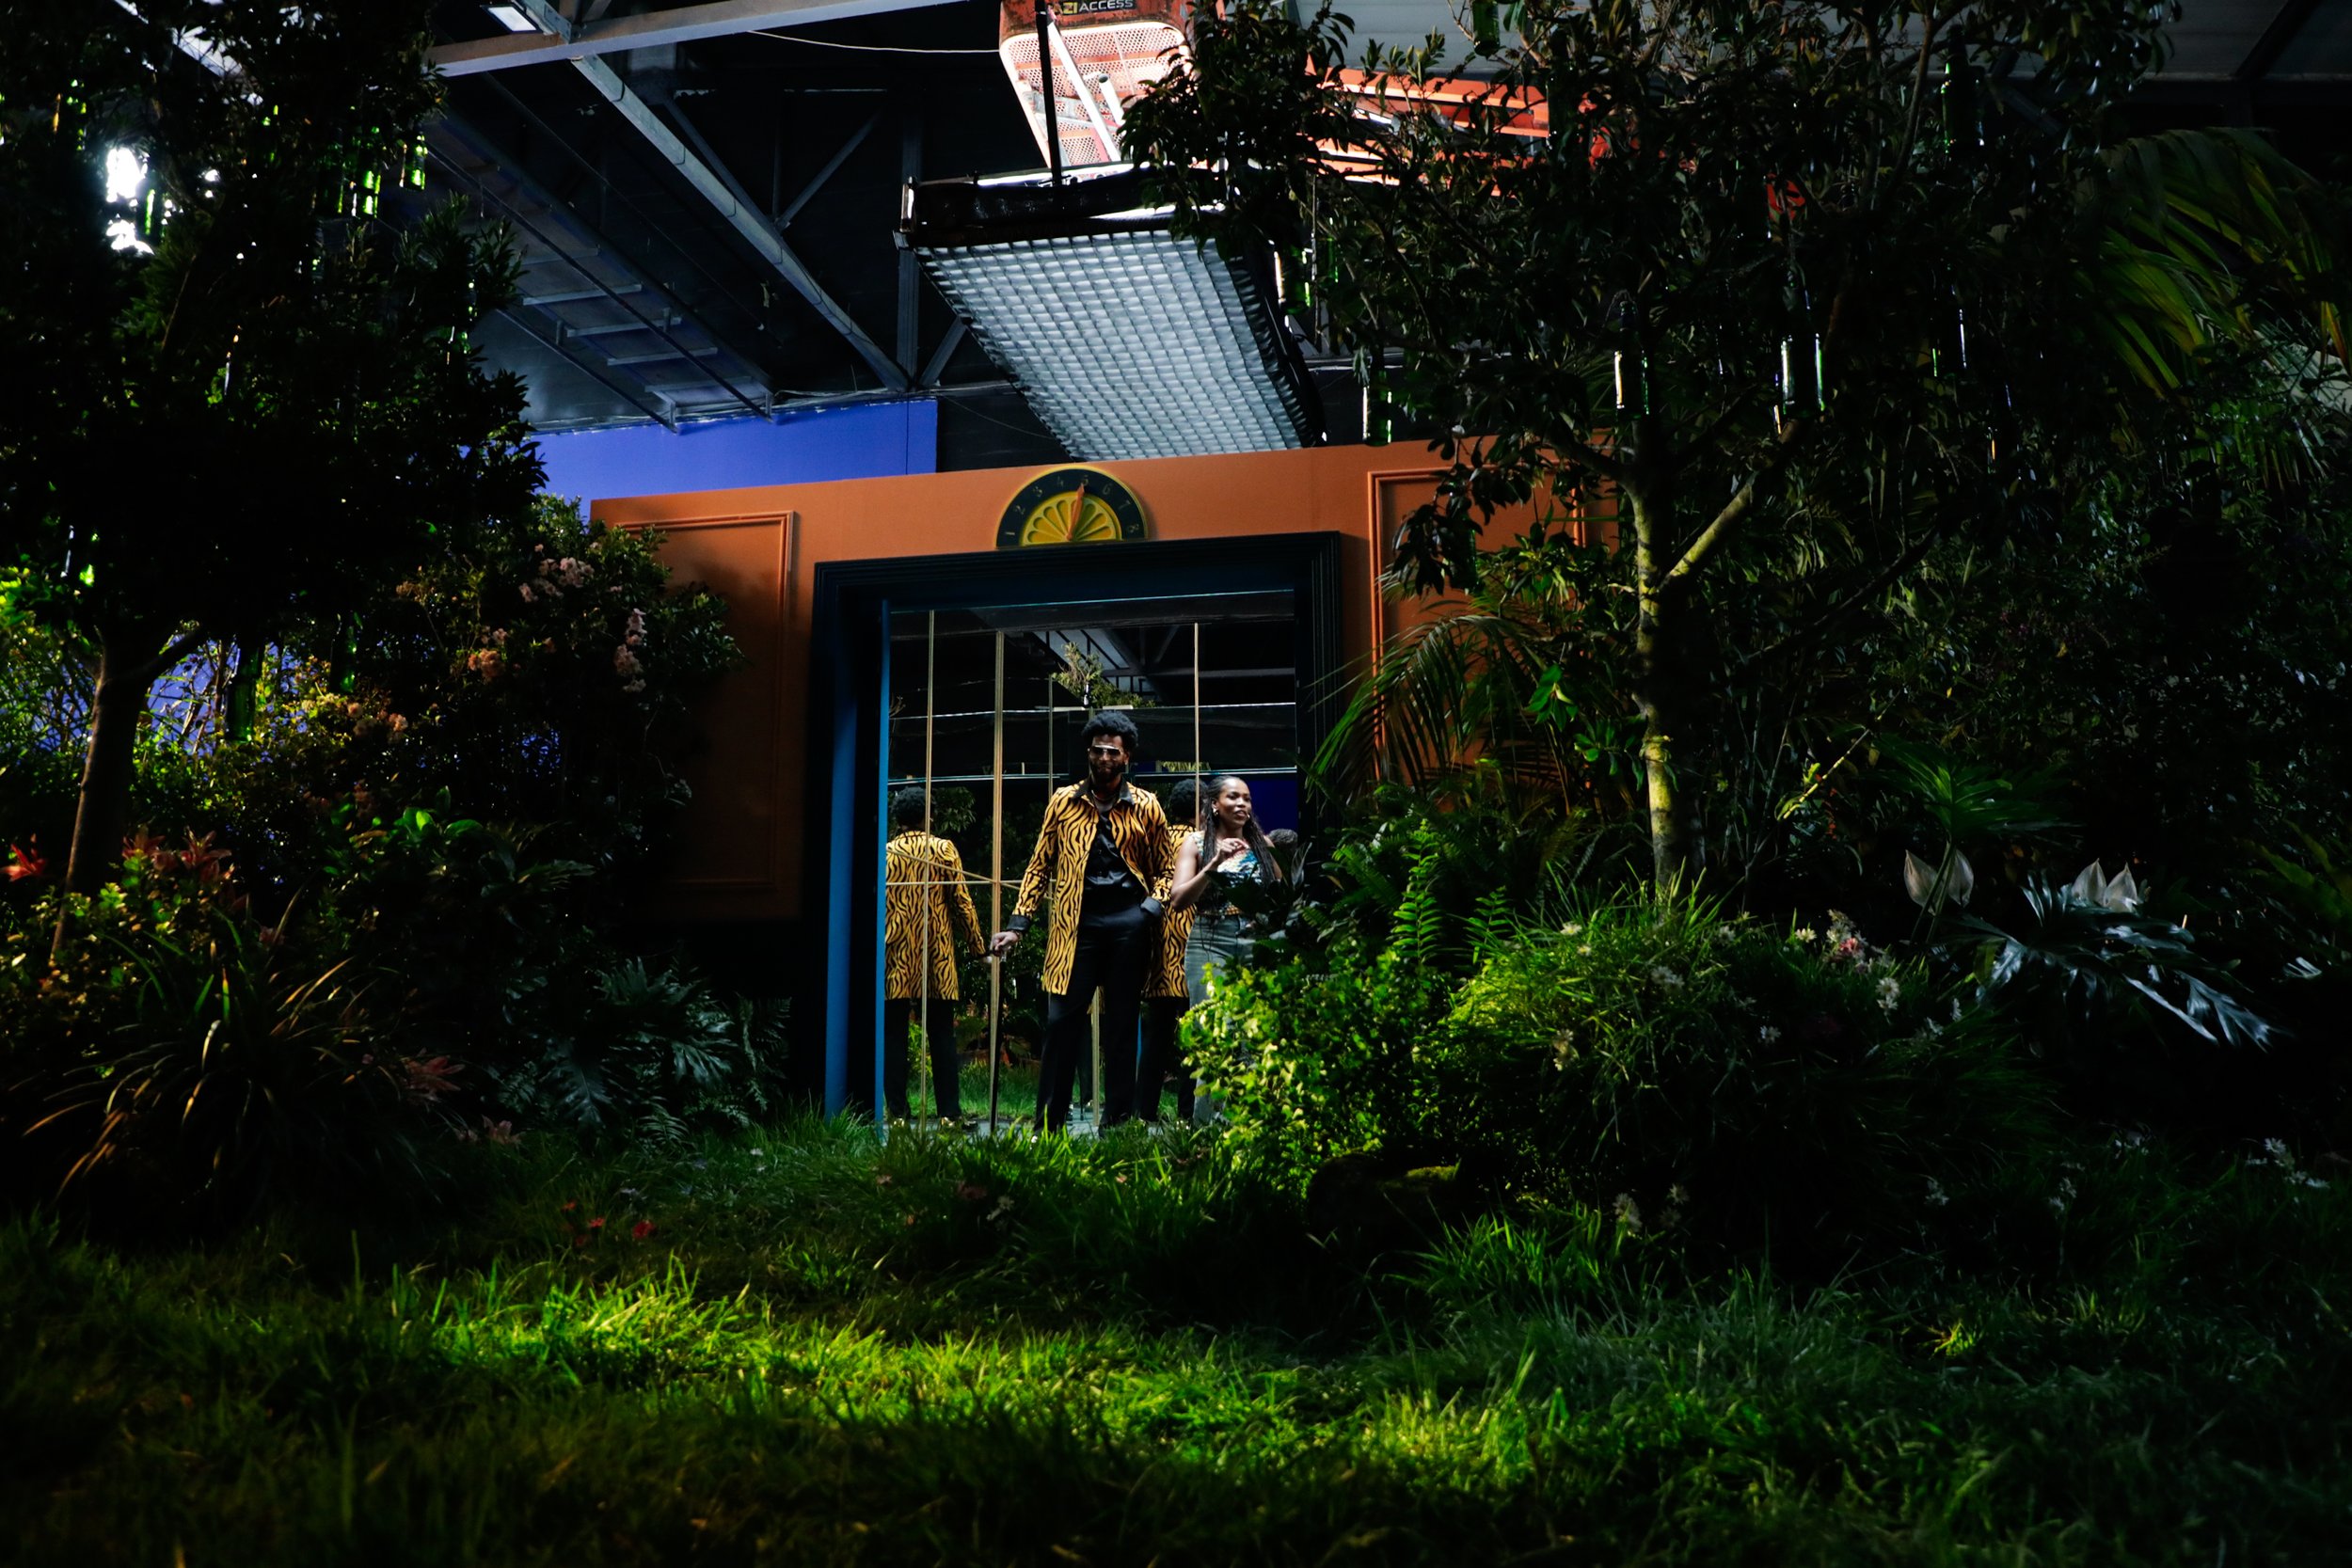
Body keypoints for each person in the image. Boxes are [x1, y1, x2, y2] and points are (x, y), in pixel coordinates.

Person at [990, 711, 1174, 1132]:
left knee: (1122, 1026)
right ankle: (1049, 1125)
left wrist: (1150, 908)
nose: (1104, 757)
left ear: (1126, 758)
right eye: (1097, 749)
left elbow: (1166, 870)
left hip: (1129, 922)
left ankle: (1118, 1122)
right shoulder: (1064, 801)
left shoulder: (1146, 805)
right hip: (1076, 924)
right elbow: (1039, 866)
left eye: (1113, 751)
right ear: (1088, 752)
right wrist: (1018, 924)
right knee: (1061, 1022)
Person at [1167, 775, 1286, 1120]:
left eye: (1247, 798)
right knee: (1216, 1037)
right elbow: (1177, 900)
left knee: (1252, 1036)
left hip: (1254, 942)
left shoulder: (1263, 845)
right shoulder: (1195, 843)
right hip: (1210, 942)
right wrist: (1214, 863)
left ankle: (1249, 1127)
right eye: (1233, 797)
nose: (1242, 804)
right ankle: (1207, 1134)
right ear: (1214, 805)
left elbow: (1281, 896)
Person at [882, 788, 984, 1123]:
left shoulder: (886, 853)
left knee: (893, 1034)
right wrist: (977, 946)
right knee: (941, 1034)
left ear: (898, 819)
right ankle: (949, 1114)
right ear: (929, 816)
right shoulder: (943, 850)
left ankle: (897, 1113)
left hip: (895, 953)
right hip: (935, 953)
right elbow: (961, 902)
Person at [1137, 777, 1200, 1123]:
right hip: (1195, 955)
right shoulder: (1202, 842)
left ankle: (1144, 1110)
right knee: (1195, 1041)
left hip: (1161, 957)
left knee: (1156, 1040)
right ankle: (1188, 1113)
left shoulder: (1157, 840)